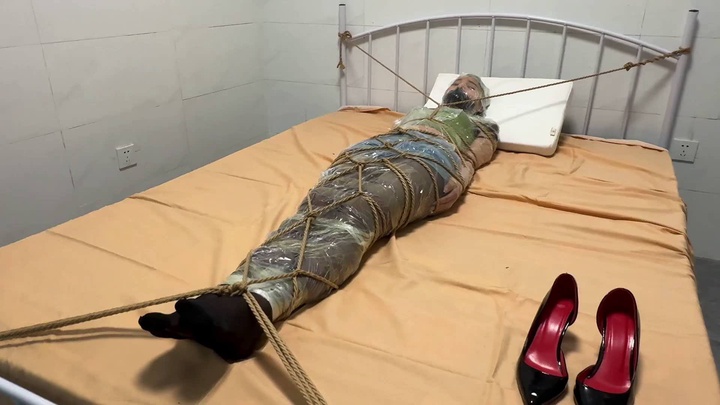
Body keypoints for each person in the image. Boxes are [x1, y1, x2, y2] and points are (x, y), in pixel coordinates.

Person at [138, 74, 500, 363]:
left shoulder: (482, 124)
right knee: (315, 208)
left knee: (359, 214)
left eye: (470, 86)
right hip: (373, 150)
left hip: (429, 161)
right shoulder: (416, 112)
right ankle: (225, 296)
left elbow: (476, 155)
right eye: (456, 82)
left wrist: (461, 177)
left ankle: (257, 308)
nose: (460, 87)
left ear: (481, 100)